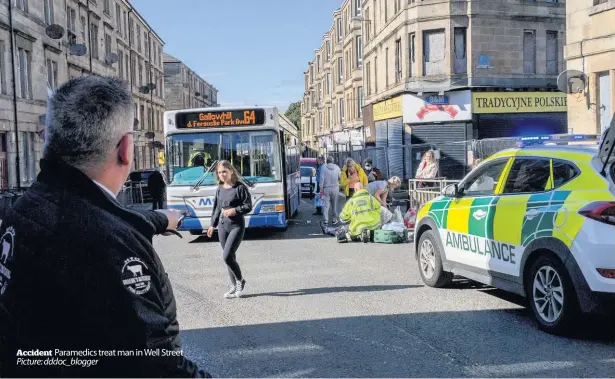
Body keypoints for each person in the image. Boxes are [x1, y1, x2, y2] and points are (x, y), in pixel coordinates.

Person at [0, 76, 211, 377]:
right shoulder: (106, 244)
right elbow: (158, 366)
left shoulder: (27, 207)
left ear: (50, 138)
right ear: (126, 148)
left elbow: (106, 216)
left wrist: (161, 218)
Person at [207, 160, 253, 299]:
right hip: (222, 225)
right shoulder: (220, 188)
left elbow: (248, 206)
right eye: (219, 172)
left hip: (236, 225)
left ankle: (240, 280)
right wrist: (212, 225)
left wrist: (235, 210)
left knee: (227, 256)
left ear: (231, 171)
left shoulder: (240, 187)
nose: (222, 175)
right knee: (229, 258)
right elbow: (216, 208)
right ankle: (233, 286)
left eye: (224, 172)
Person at [319, 156, 341, 227]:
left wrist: (321, 190)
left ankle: (326, 220)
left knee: (326, 205)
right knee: (334, 205)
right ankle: (334, 219)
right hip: (335, 188)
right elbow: (340, 177)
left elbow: (321, 180)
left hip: (326, 189)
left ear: (327, 161)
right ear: (333, 161)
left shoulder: (323, 168)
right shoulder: (337, 167)